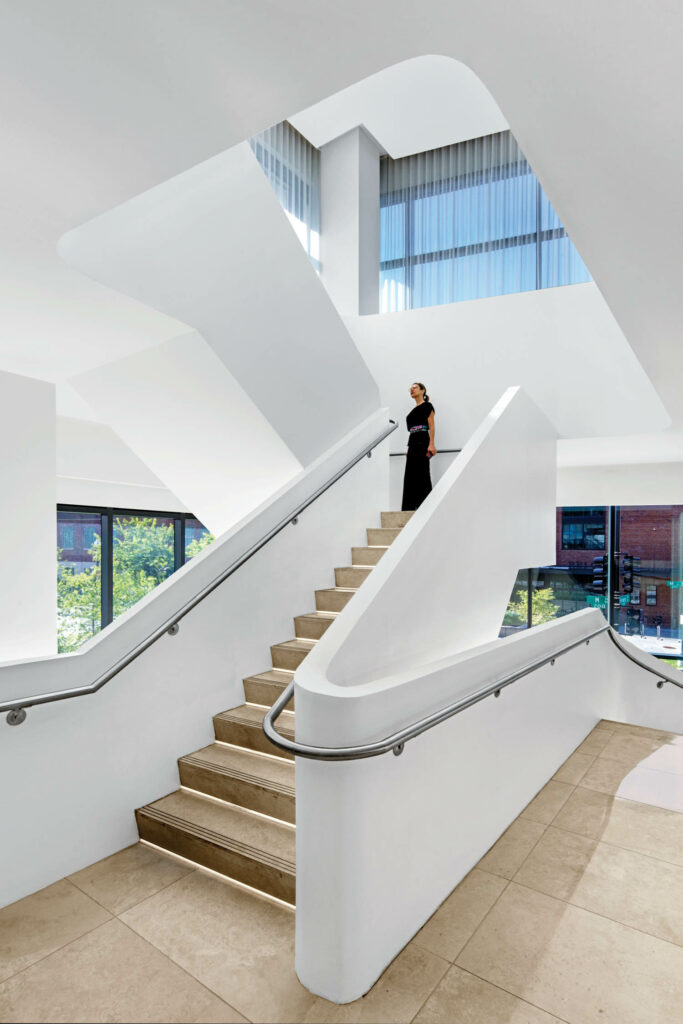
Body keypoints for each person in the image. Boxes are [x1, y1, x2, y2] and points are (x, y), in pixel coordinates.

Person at [401, 382, 436, 511]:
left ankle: (425, 506)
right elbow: (412, 431)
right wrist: (408, 449)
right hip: (412, 443)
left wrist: (431, 444)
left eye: (415, 387)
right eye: (410, 388)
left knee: (422, 472)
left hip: (423, 441)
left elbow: (431, 425)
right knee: (410, 475)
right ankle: (410, 507)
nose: (412, 389)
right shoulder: (412, 412)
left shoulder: (427, 406)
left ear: (423, 390)